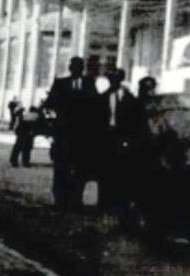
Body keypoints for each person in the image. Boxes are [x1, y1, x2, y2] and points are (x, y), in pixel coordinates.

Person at [44, 56, 94, 210]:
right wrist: (52, 127)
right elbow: (49, 105)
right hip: (63, 134)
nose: (77, 69)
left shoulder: (89, 84)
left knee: (80, 168)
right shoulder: (60, 84)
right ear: (70, 68)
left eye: (80, 66)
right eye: (74, 66)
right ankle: (60, 199)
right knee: (61, 167)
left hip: (82, 136)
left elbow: (95, 107)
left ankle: (76, 199)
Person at [98, 68, 140, 213]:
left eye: (116, 79)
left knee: (123, 171)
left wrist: (129, 138)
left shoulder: (130, 99)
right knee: (105, 172)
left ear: (121, 80)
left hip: (124, 139)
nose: (113, 81)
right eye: (111, 79)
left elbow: (135, 121)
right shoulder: (102, 98)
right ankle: (103, 203)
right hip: (106, 139)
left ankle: (121, 204)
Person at [9, 103, 38, 168]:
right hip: (27, 132)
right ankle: (25, 162)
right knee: (27, 147)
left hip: (21, 131)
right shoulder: (35, 116)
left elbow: (17, 122)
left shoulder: (22, 114)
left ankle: (14, 160)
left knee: (18, 146)